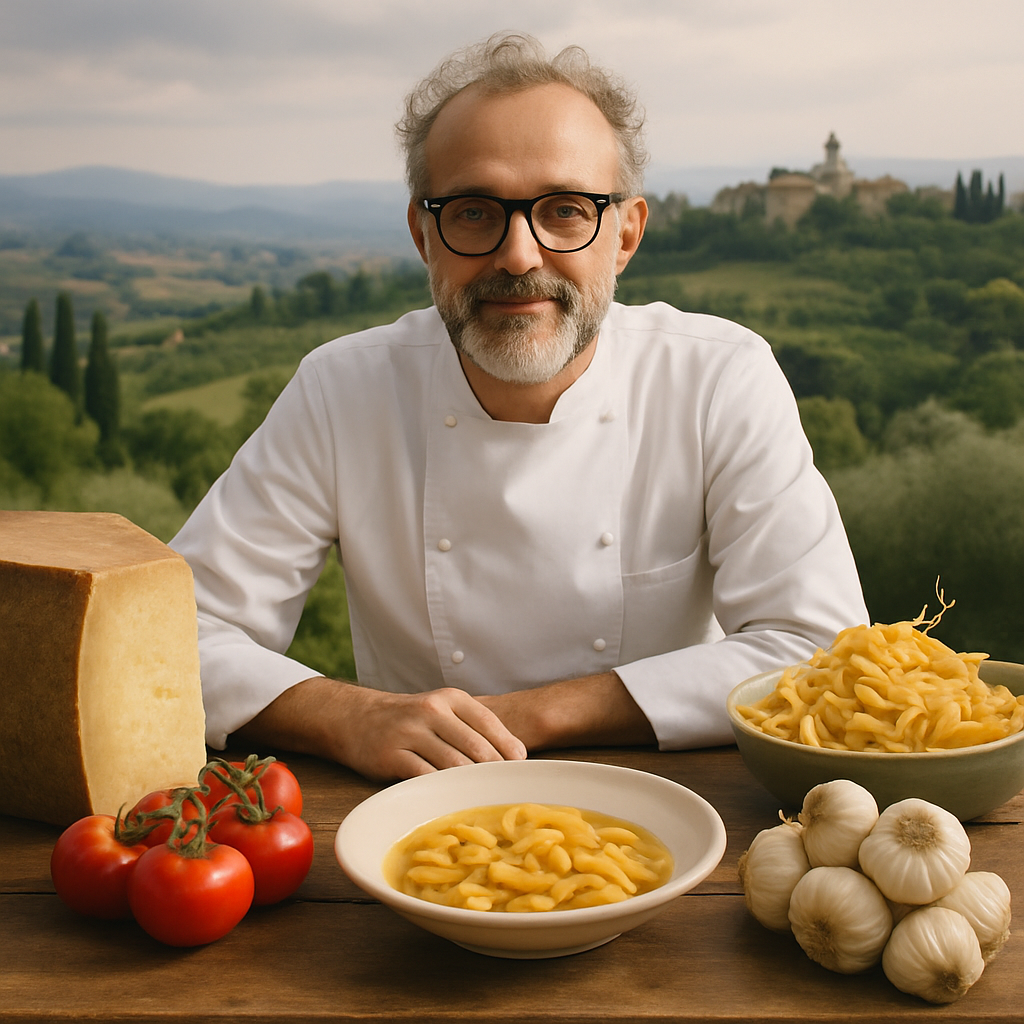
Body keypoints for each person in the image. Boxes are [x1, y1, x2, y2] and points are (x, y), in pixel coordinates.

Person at [170, 32, 868, 779]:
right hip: (414, 812)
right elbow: (176, 638)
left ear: (625, 234)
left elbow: (817, 646)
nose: (518, 255)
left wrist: (535, 713)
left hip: (672, 804)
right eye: (474, 212)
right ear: (423, 234)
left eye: (565, 210)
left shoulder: (719, 378)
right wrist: (348, 716)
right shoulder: (343, 390)